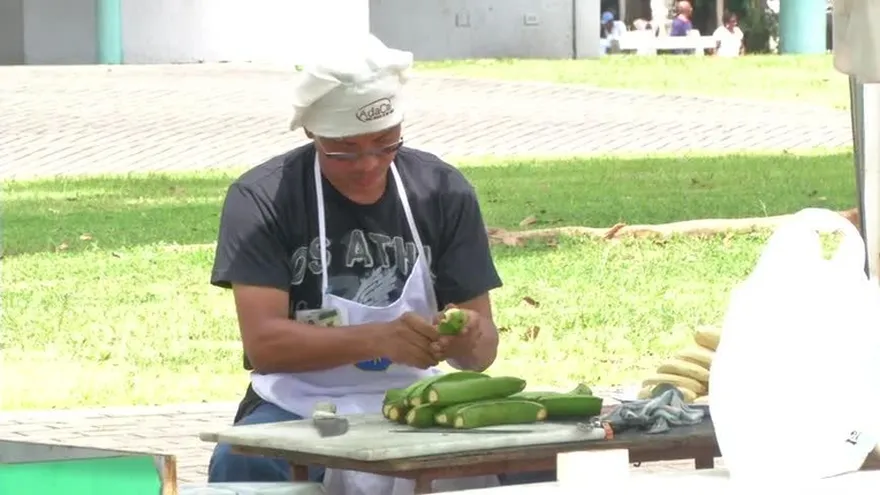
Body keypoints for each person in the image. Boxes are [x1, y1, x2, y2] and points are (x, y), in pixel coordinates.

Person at [205, 34, 556, 493]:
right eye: (344, 152)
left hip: (418, 401)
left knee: (545, 463)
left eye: (386, 144)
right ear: (313, 134)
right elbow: (266, 345)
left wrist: (468, 335)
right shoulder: (264, 198)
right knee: (245, 465)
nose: (369, 164)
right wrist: (380, 339)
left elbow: (482, 354)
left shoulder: (442, 192)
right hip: (302, 404)